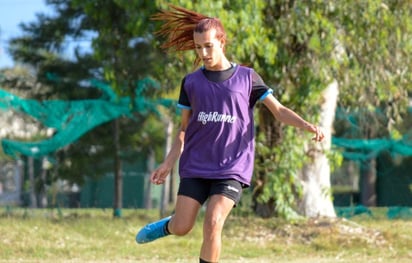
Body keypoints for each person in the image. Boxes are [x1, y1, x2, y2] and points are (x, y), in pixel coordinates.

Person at [136, 5, 325, 263]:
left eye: (208, 46)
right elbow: (183, 129)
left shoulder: (247, 78)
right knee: (182, 227)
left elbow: (279, 111)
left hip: (232, 166)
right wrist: (168, 162)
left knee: (213, 222)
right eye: (198, 47)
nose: (202, 53)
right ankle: (169, 225)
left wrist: (307, 125)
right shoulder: (191, 83)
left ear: (221, 42)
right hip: (196, 164)